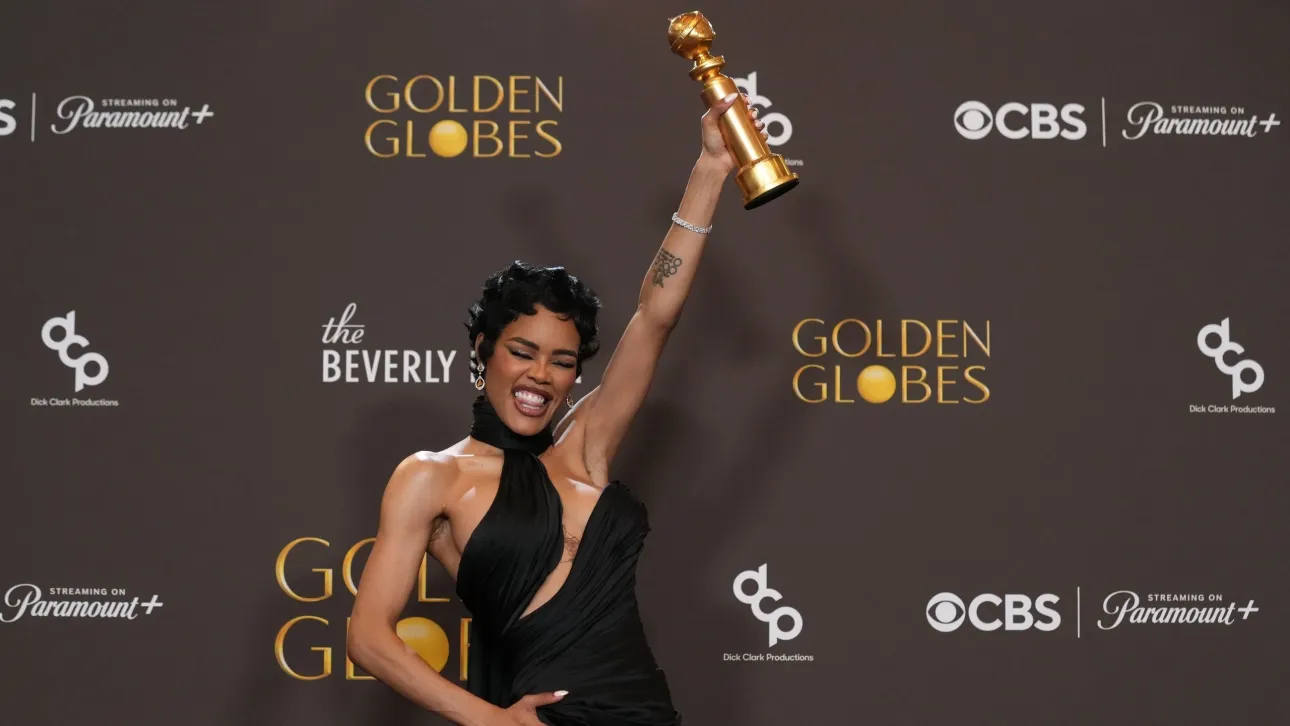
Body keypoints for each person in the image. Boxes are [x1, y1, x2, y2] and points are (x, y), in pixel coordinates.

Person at [347, 92, 768, 726]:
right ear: (484, 350)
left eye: (562, 361)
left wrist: (710, 168)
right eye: (523, 352)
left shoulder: (585, 449)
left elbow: (654, 317)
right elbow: (368, 637)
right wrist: (492, 721)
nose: (540, 376)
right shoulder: (432, 476)